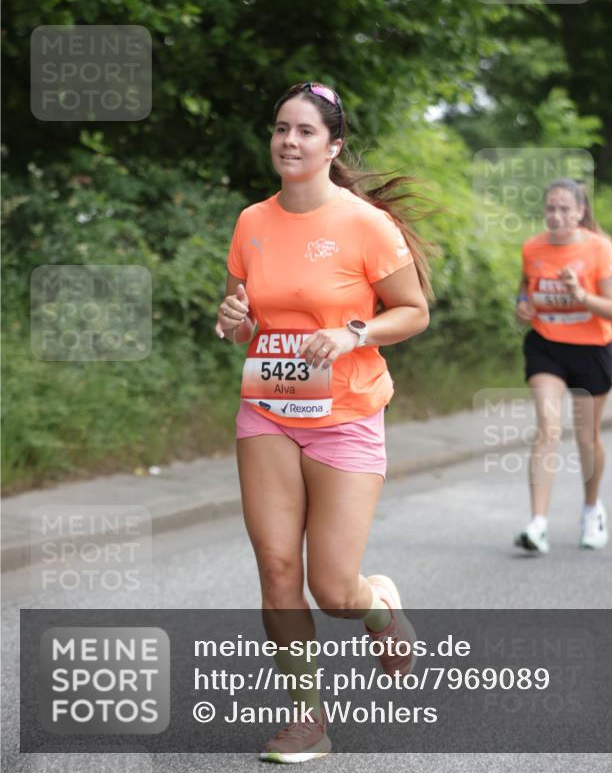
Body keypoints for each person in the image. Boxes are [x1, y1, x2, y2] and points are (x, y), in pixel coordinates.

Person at [215, 81, 433, 762]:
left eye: (305, 130)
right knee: (278, 567)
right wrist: (233, 320)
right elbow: (242, 318)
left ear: (333, 146)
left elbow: (414, 311)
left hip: (346, 414)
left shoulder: (365, 224)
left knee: (333, 588)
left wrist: (352, 333)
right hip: (267, 409)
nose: (289, 140)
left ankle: (378, 608)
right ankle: (306, 719)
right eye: (281, 128)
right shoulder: (252, 221)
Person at [514, 178, 612, 555]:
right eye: (551, 208)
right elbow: (525, 288)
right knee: (548, 427)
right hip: (546, 346)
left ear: (580, 212)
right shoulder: (532, 247)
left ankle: (592, 510)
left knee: (586, 437)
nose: (556, 215)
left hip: (592, 350)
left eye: (565, 209)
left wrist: (581, 295)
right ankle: (537, 524)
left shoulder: (599, 248)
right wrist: (522, 306)